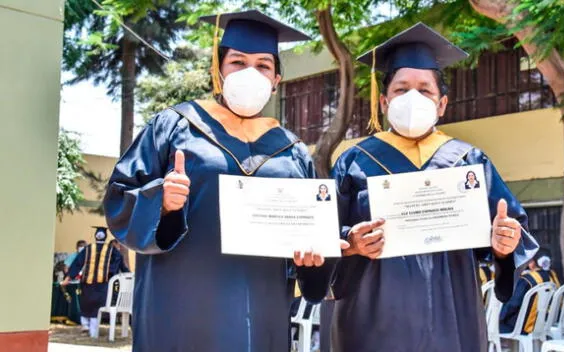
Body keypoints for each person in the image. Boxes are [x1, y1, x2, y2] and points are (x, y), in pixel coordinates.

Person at [103, 10, 343, 351]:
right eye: (238, 62)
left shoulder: (293, 152)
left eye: (263, 65)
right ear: (218, 70)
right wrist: (162, 201)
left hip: (263, 313)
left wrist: (315, 258)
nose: (251, 73)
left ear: (276, 79)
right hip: (180, 311)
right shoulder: (173, 127)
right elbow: (119, 199)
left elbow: (308, 250)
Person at [329, 23, 538, 352]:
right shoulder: (354, 162)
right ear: (383, 102)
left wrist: (503, 243)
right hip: (371, 319)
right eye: (401, 90)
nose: (412, 98)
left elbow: (510, 234)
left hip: (451, 318)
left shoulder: (469, 160)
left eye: (424, 90)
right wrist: (351, 242)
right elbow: (322, 235)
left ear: (441, 104)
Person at [62, 227, 126, 337]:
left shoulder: (88, 249)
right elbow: (119, 265)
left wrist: (68, 278)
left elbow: (77, 264)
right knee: (97, 308)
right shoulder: (112, 250)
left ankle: (86, 326)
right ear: (105, 237)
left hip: (87, 283)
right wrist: (123, 274)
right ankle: (93, 332)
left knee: (86, 305)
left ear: (95, 236)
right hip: (102, 285)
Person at [499, 252, 557, 334]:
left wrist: (501, 316)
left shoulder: (527, 279)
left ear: (533, 263)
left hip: (523, 327)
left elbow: (513, 304)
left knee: (493, 323)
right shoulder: (551, 277)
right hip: (544, 322)